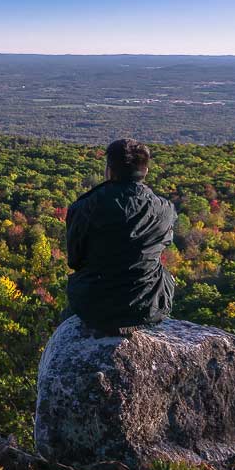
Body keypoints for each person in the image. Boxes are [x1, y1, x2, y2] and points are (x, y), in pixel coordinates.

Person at [65, 138, 176, 335]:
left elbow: (75, 261)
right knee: (163, 272)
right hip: (149, 305)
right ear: (146, 171)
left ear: (109, 170)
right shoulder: (165, 210)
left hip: (93, 306)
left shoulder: (84, 208)